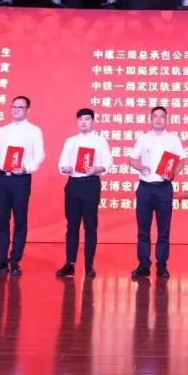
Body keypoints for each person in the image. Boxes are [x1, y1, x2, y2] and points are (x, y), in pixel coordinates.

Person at [0, 95, 45, 276]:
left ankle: (15, 260)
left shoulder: (34, 131)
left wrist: (27, 168)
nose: (16, 110)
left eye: (20, 107)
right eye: (13, 107)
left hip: (20, 179)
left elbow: (40, 154)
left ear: (28, 110)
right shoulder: (3, 130)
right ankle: (1, 260)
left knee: (20, 221)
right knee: (1, 220)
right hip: (2, 178)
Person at [55, 107, 112, 279]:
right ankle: (70, 264)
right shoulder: (70, 141)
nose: (83, 122)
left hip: (91, 184)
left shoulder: (100, 141)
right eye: (80, 119)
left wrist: (96, 168)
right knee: (72, 226)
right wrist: (65, 168)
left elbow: (108, 163)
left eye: (87, 119)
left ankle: (89, 265)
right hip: (73, 184)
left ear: (93, 121)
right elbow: (62, 163)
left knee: (90, 225)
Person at [129, 106, 184, 279]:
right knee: (143, 229)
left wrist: (173, 174)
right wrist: (139, 166)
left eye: (162, 116)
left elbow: (181, 161)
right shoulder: (143, 138)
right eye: (155, 116)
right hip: (145, 188)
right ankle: (143, 265)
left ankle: (161, 265)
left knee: (163, 230)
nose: (158, 119)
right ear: (151, 119)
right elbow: (131, 159)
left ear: (166, 119)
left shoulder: (173, 139)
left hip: (164, 188)